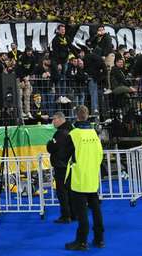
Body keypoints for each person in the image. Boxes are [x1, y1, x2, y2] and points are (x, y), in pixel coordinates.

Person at [64, 105, 104, 252]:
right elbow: (100, 155)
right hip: (92, 176)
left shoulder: (74, 134)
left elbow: (65, 155)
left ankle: (81, 241)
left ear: (76, 116)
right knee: (96, 210)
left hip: (79, 178)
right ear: (87, 116)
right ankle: (99, 239)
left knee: (82, 213)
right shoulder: (94, 133)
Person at [47, 111, 74, 223]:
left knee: (62, 192)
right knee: (71, 191)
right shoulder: (72, 130)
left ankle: (66, 215)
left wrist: (50, 143)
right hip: (70, 165)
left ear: (59, 119)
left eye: (54, 119)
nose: (53, 122)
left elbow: (50, 147)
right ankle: (73, 214)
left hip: (61, 165)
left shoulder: (60, 133)